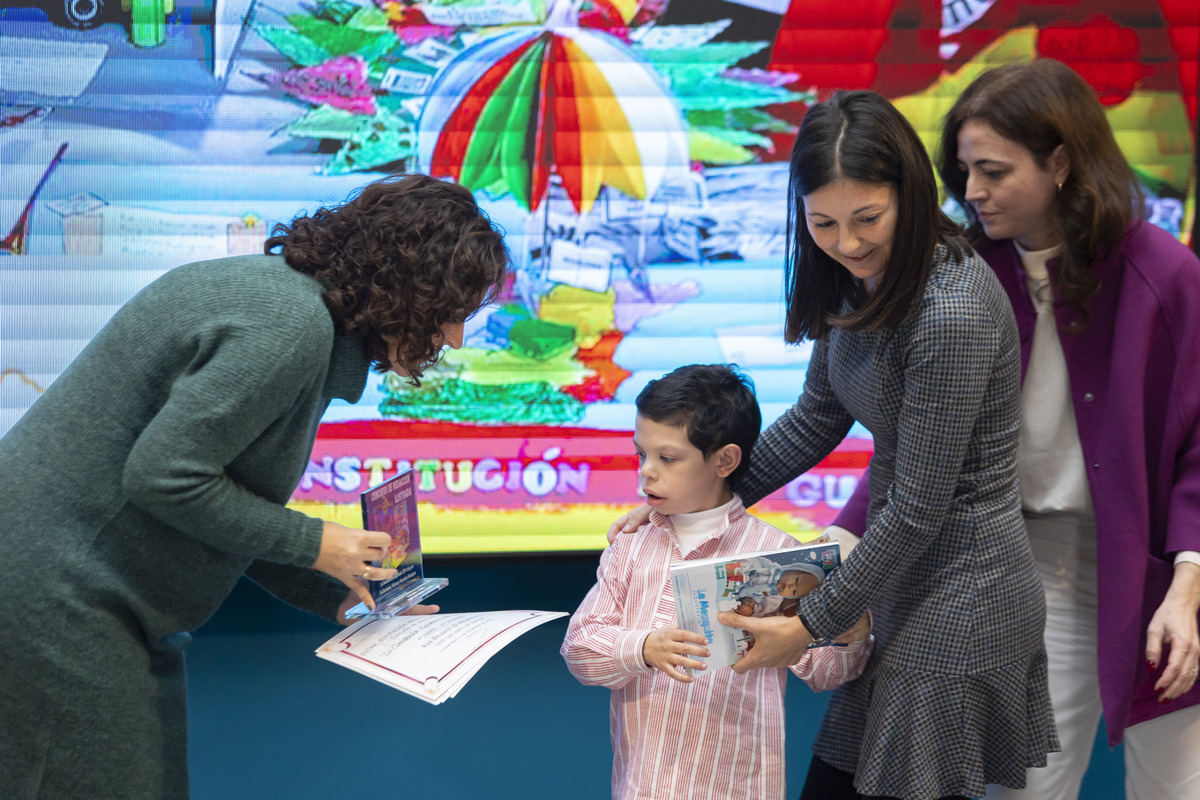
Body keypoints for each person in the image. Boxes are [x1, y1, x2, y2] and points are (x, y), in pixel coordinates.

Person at [609, 90, 1060, 799]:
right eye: (823, 223)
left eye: (867, 219)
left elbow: (915, 510)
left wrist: (810, 624)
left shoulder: (952, 311)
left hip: (964, 594)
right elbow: (817, 417)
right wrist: (702, 500)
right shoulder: (854, 284)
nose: (847, 243)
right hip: (900, 580)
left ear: (909, 195)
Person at [0, 173, 511, 799]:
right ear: (407, 285)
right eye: (453, 311)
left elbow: (222, 504)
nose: (455, 336)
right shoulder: (288, 326)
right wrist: (318, 540)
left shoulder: (290, 308)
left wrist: (336, 594)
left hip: (83, 592)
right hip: (58, 594)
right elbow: (164, 475)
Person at [828, 59, 1200, 799]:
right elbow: (915, 448)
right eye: (963, 171)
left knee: (1176, 785)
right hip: (1021, 569)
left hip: (1160, 573)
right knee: (1026, 787)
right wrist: (839, 554)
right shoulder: (958, 276)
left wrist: (1189, 587)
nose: (971, 194)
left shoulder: (1167, 272)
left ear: (1060, 162)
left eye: (993, 171)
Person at [561, 364, 873, 800]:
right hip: (641, 787)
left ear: (724, 460)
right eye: (641, 454)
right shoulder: (630, 548)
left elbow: (824, 673)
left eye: (667, 458)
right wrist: (643, 647)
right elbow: (579, 650)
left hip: (738, 787)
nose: (647, 471)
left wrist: (850, 632)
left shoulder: (777, 554)